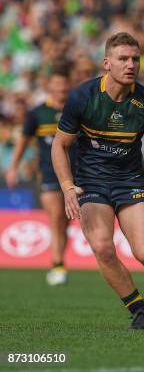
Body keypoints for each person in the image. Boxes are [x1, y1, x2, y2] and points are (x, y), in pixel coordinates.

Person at [51, 32, 144, 330]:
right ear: (106, 63)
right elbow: (59, 146)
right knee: (101, 246)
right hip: (90, 183)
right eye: (123, 59)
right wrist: (67, 187)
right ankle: (139, 310)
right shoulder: (82, 97)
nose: (131, 64)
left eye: (135, 59)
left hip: (130, 181)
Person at [5, 66, 74, 286]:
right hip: (48, 173)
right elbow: (23, 141)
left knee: (66, 221)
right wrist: (13, 167)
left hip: (76, 174)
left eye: (64, 83)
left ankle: (60, 258)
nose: (61, 87)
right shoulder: (37, 113)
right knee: (55, 217)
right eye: (57, 83)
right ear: (49, 85)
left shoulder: (77, 111)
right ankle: (57, 264)